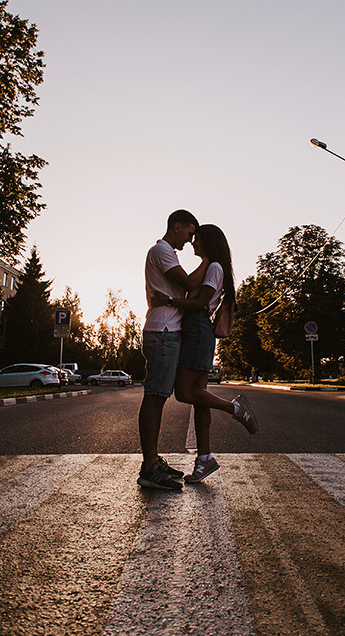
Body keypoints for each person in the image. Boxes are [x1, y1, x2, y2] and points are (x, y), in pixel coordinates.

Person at [153, 223, 258, 484]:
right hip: (195, 329)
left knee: (184, 392)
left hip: (198, 329)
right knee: (199, 398)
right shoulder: (210, 266)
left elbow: (200, 302)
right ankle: (204, 459)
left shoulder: (215, 268)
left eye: (197, 239)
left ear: (209, 242)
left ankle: (235, 408)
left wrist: (168, 301)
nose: (193, 243)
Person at [138, 209, 209, 491]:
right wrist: (209, 258)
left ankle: (153, 461)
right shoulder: (161, 251)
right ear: (177, 226)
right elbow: (190, 284)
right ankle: (149, 467)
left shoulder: (169, 253)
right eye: (190, 233)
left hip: (168, 332)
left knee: (159, 397)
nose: (190, 240)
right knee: (155, 397)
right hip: (162, 333)